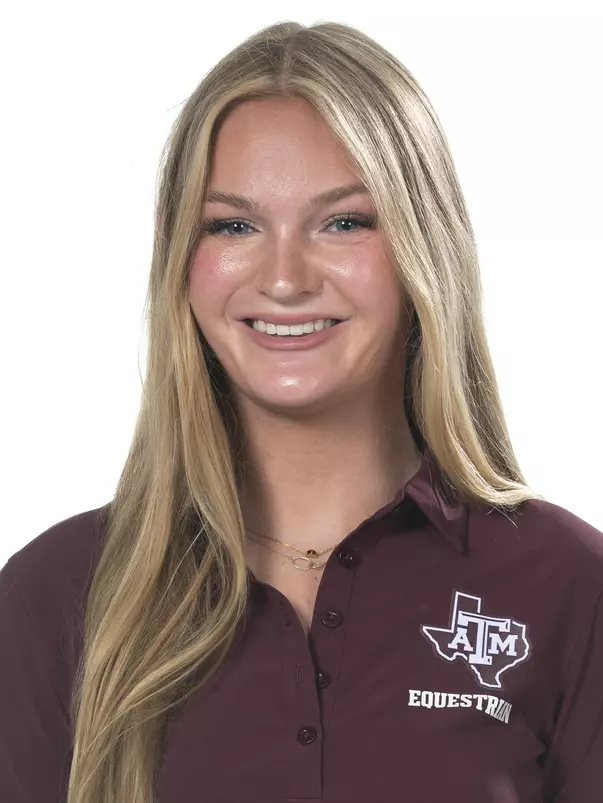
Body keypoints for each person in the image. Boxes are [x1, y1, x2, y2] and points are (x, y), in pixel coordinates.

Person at [1, 19, 602, 803]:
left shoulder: (566, 589)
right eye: (234, 225)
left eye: (343, 221)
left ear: (424, 250)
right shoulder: (56, 595)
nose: (283, 278)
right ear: (182, 262)